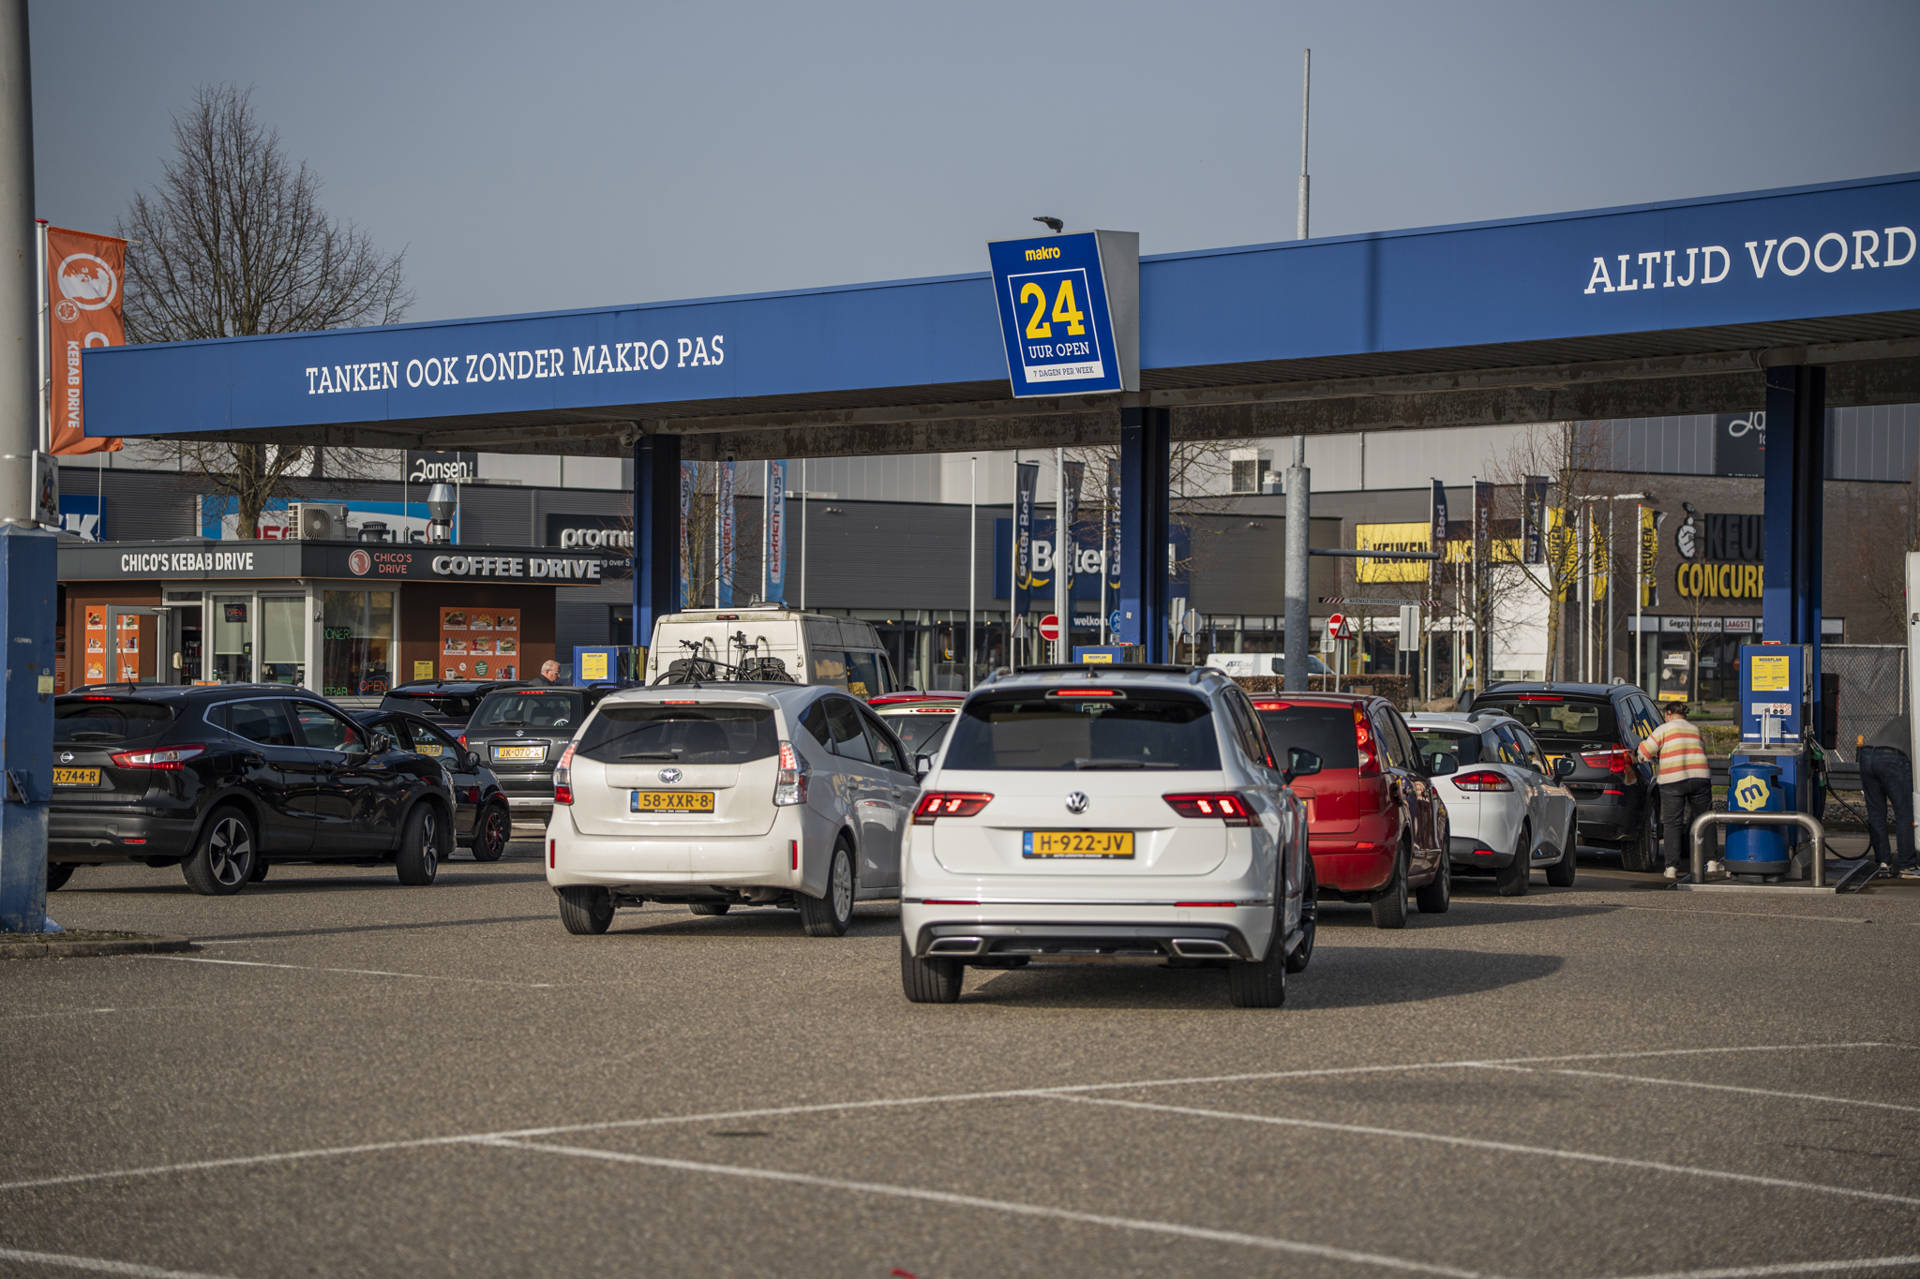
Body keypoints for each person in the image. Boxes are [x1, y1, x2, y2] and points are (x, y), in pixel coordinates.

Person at [1640, 702, 1714, 880]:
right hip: (1700, 778)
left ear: (1668, 714)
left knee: (1673, 822)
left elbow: (1644, 753)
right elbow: (1700, 750)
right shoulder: (1695, 730)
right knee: (1705, 819)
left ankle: (1672, 866)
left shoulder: (1663, 730)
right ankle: (1711, 862)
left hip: (1673, 779)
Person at [1858, 712, 1915, 878]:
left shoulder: (1907, 716)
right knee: (1905, 812)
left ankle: (1883, 862)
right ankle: (1907, 865)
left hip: (1867, 755)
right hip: (1893, 758)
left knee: (1876, 813)